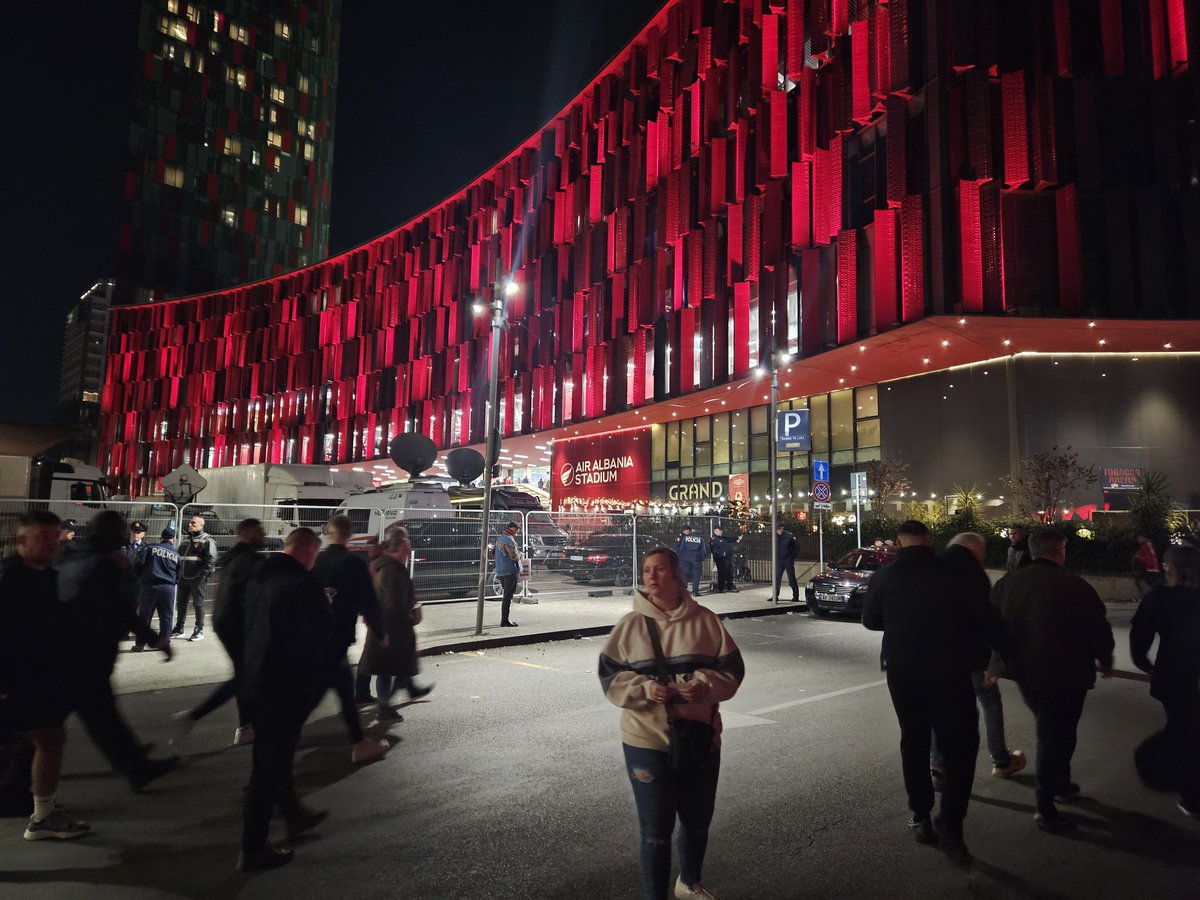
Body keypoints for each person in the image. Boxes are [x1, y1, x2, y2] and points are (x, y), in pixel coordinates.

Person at [599, 547, 744, 900]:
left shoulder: (706, 621)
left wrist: (704, 685)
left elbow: (733, 671)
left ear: (677, 574)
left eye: (660, 569)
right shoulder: (630, 626)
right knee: (655, 829)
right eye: (647, 570)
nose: (651, 576)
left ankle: (689, 883)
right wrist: (646, 688)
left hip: (699, 737)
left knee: (696, 821)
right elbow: (610, 678)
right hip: (645, 739)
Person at [862, 521, 1007, 866]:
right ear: (929, 541)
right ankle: (951, 822)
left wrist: (902, 620)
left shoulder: (885, 576)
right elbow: (985, 617)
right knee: (960, 745)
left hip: (903, 672)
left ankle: (920, 814)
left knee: (913, 739)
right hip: (950, 671)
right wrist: (1007, 651)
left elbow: (870, 619)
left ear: (899, 542)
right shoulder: (954, 573)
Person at [989, 525, 1115, 832]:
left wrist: (994, 663)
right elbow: (1097, 626)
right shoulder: (1073, 585)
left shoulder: (1008, 583)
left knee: (1054, 730)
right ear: (1058, 551)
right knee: (1056, 734)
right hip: (1066, 671)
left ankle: (1058, 783)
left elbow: (991, 624)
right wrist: (1105, 657)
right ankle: (1046, 805)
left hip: (1024, 672)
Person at [56, 511, 177, 793]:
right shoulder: (104, 564)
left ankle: (135, 763)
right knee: (63, 721)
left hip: (74, 651)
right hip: (88, 653)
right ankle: (18, 784)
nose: (125, 534)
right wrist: (155, 639)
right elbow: (122, 608)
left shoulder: (74, 554)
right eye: (121, 529)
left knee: (101, 717)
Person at [237, 528, 332, 872]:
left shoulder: (259, 578)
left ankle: (292, 816)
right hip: (283, 687)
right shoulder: (301, 585)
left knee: (271, 760)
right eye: (315, 554)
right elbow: (317, 636)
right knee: (268, 766)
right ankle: (253, 847)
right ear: (307, 549)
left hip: (256, 681)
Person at [0, 511, 89, 841]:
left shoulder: (43, 576)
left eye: (55, 535)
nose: (53, 541)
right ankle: (42, 815)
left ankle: (43, 813)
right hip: (18, 683)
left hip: (35, 681)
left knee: (47, 740)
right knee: (49, 741)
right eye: (43, 536)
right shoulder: (12, 580)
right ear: (22, 541)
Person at [930, 533, 1024, 791]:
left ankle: (937, 769)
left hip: (937, 655)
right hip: (971, 655)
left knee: (941, 709)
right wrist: (1003, 653)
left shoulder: (933, 567)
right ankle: (1001, 760)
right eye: (982, 552)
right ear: (974, 549)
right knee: (989, 701)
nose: (983, 557)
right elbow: (986, 617)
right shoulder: (971, 572)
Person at [173, 519, 264, 747]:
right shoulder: (249, 561)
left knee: (244, 674)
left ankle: (245, 727)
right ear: (247, 533)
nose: (263, 535)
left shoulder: (235, 557)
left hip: (226, 622)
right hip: (238, 624)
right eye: (259, 531)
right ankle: (195, 716)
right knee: (245, 676)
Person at [313, 515, 391, 764]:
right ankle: (359, 745)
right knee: (324, 692)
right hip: (338, 636)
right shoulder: (353, 565)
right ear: (349, 534)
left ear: (328, 533)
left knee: (341, 691)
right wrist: (380, 632)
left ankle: (360, 742)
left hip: (315, 637)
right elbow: (369, 602)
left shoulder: (316, 561)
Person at [1129, 544, 1200, 818]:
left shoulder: (1160, 598)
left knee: (1183, 728)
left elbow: (1139, 636)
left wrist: (1145, 665)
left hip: (1174, 676)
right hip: (1186, 677)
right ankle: (1191, 792)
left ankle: (1188, 792)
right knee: (1189, 731)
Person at [360, 525, 432, 723]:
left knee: (392, 668)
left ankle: (401, 694)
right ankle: (384, 707)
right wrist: (412, 616)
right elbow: (395, 605)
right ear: (400, 545)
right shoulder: (393, 570)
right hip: (392, 631)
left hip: (386, 629)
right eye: (407, 540)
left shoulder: (387, 566)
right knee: (390, 670)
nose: (410, 545)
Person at [172, 514, 217, 641]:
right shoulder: (186, 539)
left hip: (197, 578)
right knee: (181, 604)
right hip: (184, 577)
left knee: (198, 604)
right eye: (190, 523)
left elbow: (211, 560)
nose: (190, 525)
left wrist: (201, 576)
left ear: (201, 525)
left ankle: (199, 629)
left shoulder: (207, 539)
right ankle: (179, 628)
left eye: (193, 523)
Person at [133, 527, 179, 651]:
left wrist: (140, 579)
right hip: (168, 588)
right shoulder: (176, 554)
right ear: (173, 539)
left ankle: (140, 644)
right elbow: (179, 574)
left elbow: (137, 565)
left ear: (161, 538)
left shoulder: (149, 548)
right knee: (166, 617)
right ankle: (164, 643)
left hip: (149, 586)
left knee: (144, 617)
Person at [494, 520, 522, 627]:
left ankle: (504, 619)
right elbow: (514, 556)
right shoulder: (510, 540)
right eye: (517, 531)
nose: (517, 534)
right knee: (507, 597)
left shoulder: (499, 538)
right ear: (514, 529)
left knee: (506, 595)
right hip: (510, 571)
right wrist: (521, 555)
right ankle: (505, 621)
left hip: (500, 570)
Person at [675, 525, 705, 597]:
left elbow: (681, 548)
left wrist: (682, 557)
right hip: (696, 559)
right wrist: (701, 558)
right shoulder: (700, 538)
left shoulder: (686, 538)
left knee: (685, 574)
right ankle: (695, 591)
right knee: (696, 575)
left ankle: (683, 591)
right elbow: (703, 550)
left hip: (686, 559)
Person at [1132, 534, 1163, 599]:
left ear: (1143, 537)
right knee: (1148, 583)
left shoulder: (1146, 546)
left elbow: (1148, 558)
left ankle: (1148, 597)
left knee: (1143, 583)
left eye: (1140, 537)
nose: (1138, 539)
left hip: (1149, 569)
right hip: (1151, 569)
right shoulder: (1148, 545)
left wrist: (1138, 556)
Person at [774, 525, 799, 602]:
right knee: (777, 578)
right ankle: (775, 596)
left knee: (791, 578)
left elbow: (797, 547)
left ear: (782, 529)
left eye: (779, 530)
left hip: (788, 560)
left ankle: (795, 596)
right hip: (779, 560)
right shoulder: (775, 537)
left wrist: (792, 556)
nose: (778, 531)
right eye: (776, 530)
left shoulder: (789, 536)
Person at [708, 528, 736, 594]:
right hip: (721, 559)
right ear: (715, 531)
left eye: (721, 530)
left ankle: (730, 587)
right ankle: (721, 588)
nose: (721, 532)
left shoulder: (724, 538)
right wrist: (721, 554)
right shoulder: (713, 539)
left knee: (730, 573)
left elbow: (730, 539)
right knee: (722, 574)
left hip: (728, 558)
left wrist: (737, 537)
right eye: (719, 531)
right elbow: (714, 550)